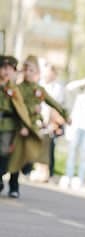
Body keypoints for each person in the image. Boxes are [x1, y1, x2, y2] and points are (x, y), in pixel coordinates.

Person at [9, 55, 68, 197]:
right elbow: (16, 107)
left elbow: (52, 102)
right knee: (15, 157)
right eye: (26, 69)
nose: (28, 73)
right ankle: (14, 186)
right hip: (19, 126)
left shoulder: (39, 89)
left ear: (37, 73)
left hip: (32, 128)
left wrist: (65, 115)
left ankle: (27, 167)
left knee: (32, 153)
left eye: (32, 70)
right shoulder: (17, 88)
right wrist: (32, 111)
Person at [0, 55, 40, 195]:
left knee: (7, 153)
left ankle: (12, 184)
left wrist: (24, 125)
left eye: (10, 69)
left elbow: (20, 108)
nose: (6, 72)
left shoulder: (14, 89)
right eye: (4, 68)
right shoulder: (12, 86)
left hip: (10, 126)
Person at [40, 62, 67, 181]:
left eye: (49, 73)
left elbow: (57, 106)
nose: (47, 75)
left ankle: (48, 172)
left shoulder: (58, 88)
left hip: (51, 120)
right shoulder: (39, 84)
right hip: (38, 118)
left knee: (50, 146)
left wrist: (55, 122)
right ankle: (31, 169)